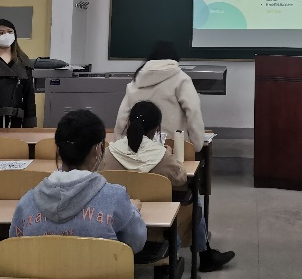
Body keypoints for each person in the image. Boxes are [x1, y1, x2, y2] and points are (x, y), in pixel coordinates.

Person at [100, 100, 235, 273]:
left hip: (117, 227)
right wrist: (170, 155)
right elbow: (181, 178)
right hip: (158, 230)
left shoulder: (108, 153)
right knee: (193, 202)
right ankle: (202, 253)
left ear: (128, 123)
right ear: (156, 129)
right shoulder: (162, 156)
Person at [9, 109, 146, 253]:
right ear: (98, 149)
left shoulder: (26, 203)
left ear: (58, 150)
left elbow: (15, 248)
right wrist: (131, 210)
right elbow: (137, 243)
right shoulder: (116, 199)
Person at [114, 41, 204, 151]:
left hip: (138, 147)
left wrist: (119, 143)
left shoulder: (137, 80)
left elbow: (122, 118)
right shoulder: (181, 79)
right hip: (174, 148)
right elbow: (193, 110)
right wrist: (196, 144)